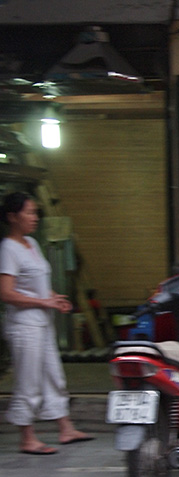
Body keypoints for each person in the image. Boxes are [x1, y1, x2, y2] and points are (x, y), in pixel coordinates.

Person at [0, 192, 93, 455]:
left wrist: (53, 298)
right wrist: (43, 302)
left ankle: (66, 428)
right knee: (28, 381)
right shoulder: (8, 249)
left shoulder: (31, 243)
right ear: (12, 217)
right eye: (29, 212)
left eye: (35, 212)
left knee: (53, 374)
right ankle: (27, 437)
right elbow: (6, 293)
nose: (35, 218)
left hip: (42, 322)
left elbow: (36, 284)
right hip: (24, 326)